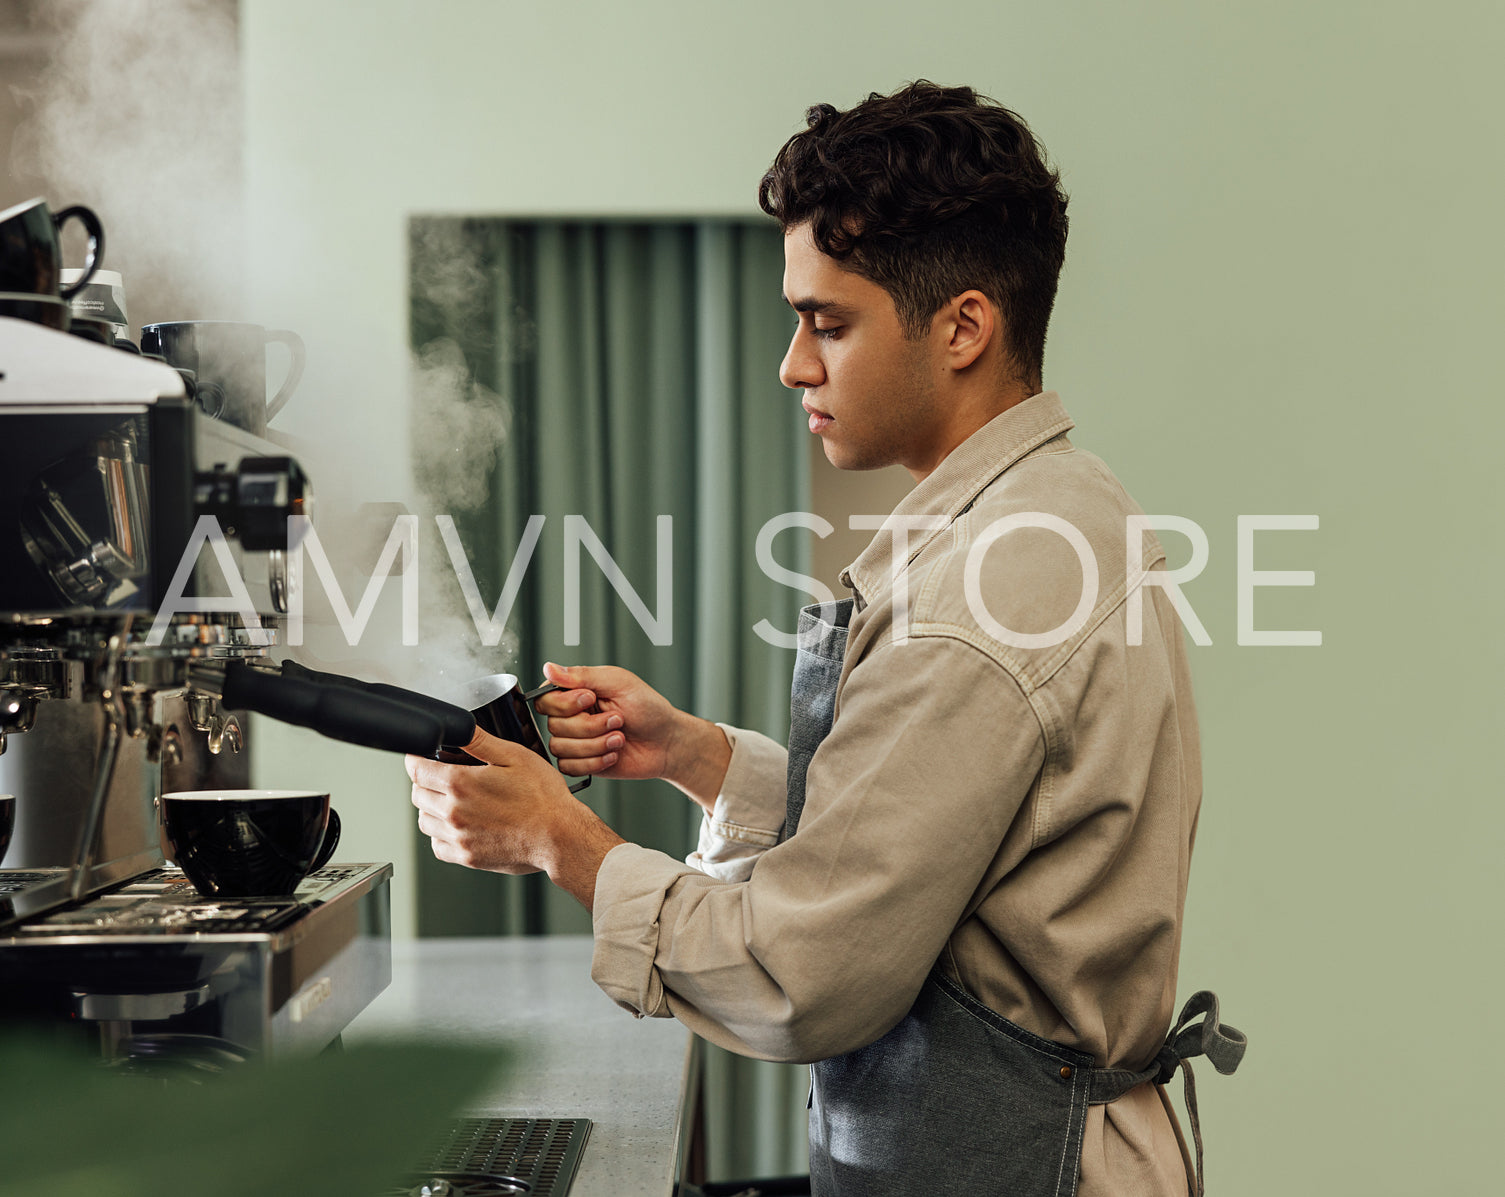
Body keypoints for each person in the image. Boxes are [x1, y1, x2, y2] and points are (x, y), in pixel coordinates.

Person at [406, 81, 1243, 1197]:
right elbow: (943, 834)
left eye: (827, 322)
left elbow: (802, 971)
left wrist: (561, 840)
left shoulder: (980, 593)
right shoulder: (1060, 505)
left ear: (962, 326)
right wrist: (699, 756)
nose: (797, 364)